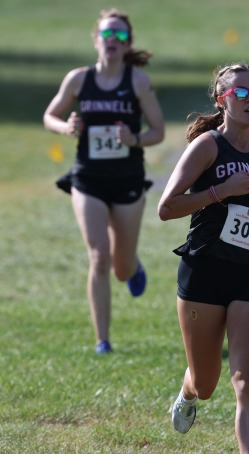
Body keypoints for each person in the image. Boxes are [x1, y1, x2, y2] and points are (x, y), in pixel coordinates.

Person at [158, 62, 249, 453]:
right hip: (204, 270)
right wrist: (220, 191)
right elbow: (167, 207)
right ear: (222, 100)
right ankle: (188, 393)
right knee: (206, 383)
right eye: (240, 93)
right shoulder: (206, 146)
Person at [43, 8, 165, 354]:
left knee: (121, 268)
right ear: (96, 39)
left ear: (128, 44)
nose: (113, 40)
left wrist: (135, 139)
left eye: (120, 35)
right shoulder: (78, 79)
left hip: (127, 178)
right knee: (99, 256)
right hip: (88, 178)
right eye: (107, 34)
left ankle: (133, 266)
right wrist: (66, 127)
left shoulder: (138, 82)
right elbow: (49, 116)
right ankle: (103, 341)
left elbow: (158, 131)